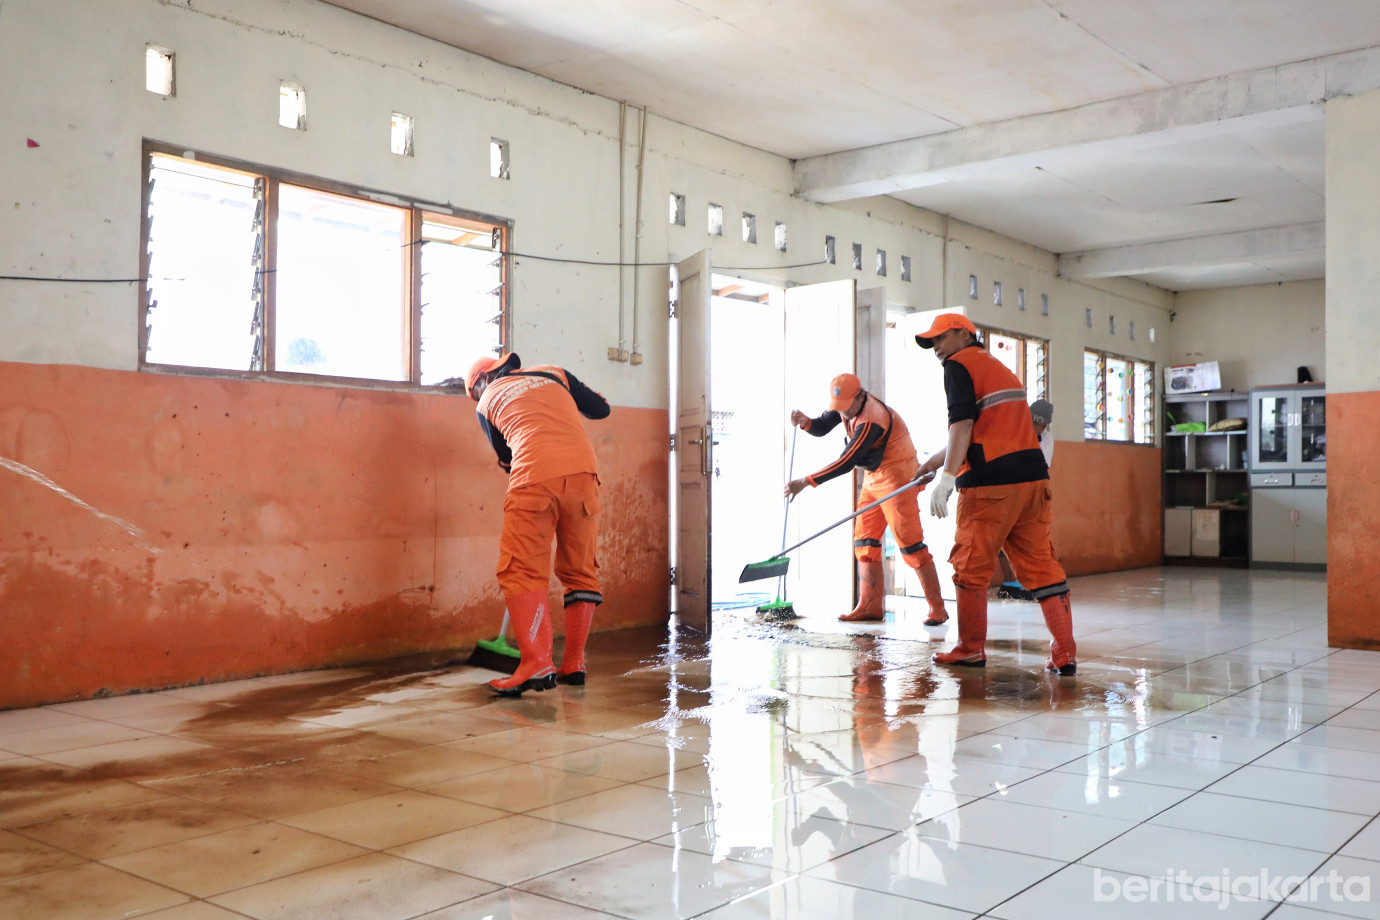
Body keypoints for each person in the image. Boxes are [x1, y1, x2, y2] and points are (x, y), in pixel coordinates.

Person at [915, 314, 1076, 675]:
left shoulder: (958, 365)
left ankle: (970, 649)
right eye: (932, 343)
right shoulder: (999, 368)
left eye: (939, 339)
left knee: (970, 566)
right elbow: (982, 429)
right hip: (1033, 481)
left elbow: (963, 425)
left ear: (962, 333)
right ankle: (1065, 652)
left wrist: (948, 476)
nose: (936, 349)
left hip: (991, 485)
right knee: (1042, 566)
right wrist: (933, 463)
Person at [466, 352, 610, 696]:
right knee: (579, 571)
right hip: (583, 475)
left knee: (521, 571)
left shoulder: (485, 402)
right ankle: (573, 663)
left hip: (534, 476)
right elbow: (600, 408)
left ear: (482, 382)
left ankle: (537, 663)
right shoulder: (554, 371)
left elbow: (507, 460)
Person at [785, 373, 950, 626]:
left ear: (860, 395)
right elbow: (822, 426)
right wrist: (806, 422)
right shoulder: (845, 406)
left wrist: (806, 482)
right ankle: (869, 605)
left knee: (910, 544)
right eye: (838, 408)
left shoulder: (872, 419)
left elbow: (846, 462)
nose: (843, 413)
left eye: (846, 408)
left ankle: (937, 608)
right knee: (864, 540)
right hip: (874, 476)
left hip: (899, 475)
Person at [995, 399, 1054, 601]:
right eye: (1035, 424)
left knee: (1027, 539)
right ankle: (1011, 582)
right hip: (1002, 488)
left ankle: (1025, 582)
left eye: (1042, 426)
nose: (1038, 429)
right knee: (1000, 537)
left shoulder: (1046, 439)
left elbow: (1040, 467)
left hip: (1030, 492)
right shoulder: (1010, 429)